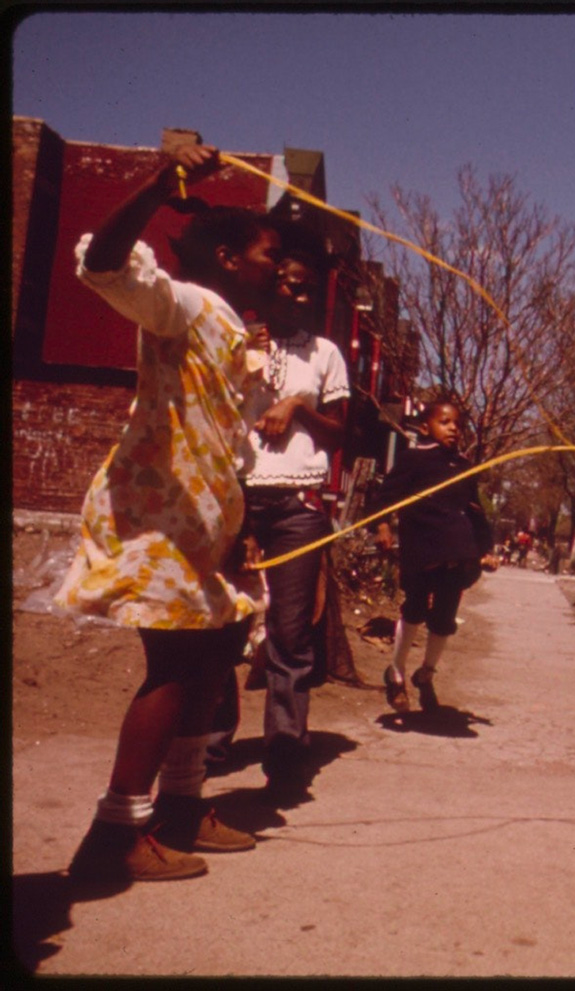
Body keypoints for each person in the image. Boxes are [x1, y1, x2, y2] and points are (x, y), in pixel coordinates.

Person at [57, 144, 279, 882]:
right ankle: (116, 830)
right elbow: (106, 265)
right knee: (176, 665)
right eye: (266, 253)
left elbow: (231, 445)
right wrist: (157, 186)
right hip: (160, 515)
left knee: (215, 655)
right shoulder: (181, 304)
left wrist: (238, 527)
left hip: (209, 521)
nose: (276, 267)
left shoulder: (233, 326)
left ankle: (182, 807)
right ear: (225, 254)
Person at [238, 227, 349, 800]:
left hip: (297, 503)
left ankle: (284, 753)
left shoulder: (325, 354)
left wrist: (299, 407)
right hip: (235, 496)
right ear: (269, 283)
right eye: (287, 284)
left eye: (306, 289)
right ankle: (206, 747)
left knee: (288, 633)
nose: (296, 295)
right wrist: (241, 360)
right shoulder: (238, 339)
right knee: (221, 626)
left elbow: (339, 434)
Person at [372, 399, 495, 712]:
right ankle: (396, 672)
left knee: (444, 617)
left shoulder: (463, 466)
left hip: (455, 552)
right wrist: (383, 526)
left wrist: (487, 550)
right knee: (414, 608)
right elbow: (386, 496)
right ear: (425, 428)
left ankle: (426, 673)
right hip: (422, 548)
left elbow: (475, 511)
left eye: (457, 423)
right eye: (445, 422)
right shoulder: (414, 459)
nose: (453, 428)